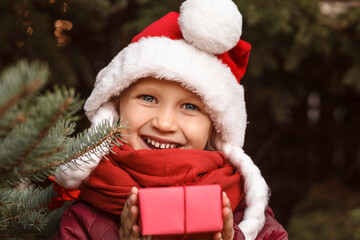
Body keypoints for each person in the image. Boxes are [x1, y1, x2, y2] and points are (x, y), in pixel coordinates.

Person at [53, 0, 288, 239]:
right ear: (116, 106)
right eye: (147, 98)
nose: (164, 123)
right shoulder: (82, 219)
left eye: (189, 106)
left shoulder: (246, 213)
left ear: (215, 128)